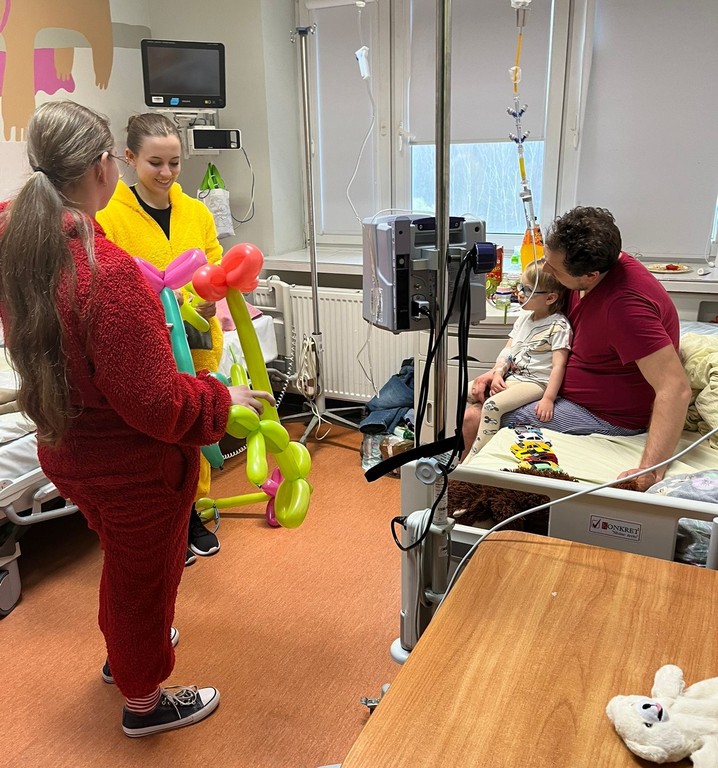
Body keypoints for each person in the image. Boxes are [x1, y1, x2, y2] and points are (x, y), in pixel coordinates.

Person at [0, 100, 275, 736]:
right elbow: (157, 405)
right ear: (106, 166)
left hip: (67, 451)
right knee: (144, 585)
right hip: (130, 467)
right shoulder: (108, 276)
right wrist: (221, 400)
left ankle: (125, 653)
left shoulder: (18, 246)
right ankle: (144, 700)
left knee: (126, 570)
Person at [463, 206, 692, 491]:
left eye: (554, 269)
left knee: (478, 415)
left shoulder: (627, 308)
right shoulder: (591, 268)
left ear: (591, 275)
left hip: (604, 415)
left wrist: (650, 470)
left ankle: (463, 484)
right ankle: (462, 475)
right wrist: (498, 370)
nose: (547, 271)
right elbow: (532, 335)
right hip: (553, 387)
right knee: (475, 393)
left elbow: (675, 389)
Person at [96, 112, 225, 563]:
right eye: (155, 163)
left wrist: (210, 299)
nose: (166, 173)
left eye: (174, 163)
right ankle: (167, 522)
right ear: (130, 158)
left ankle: (192, 514)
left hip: (197, 340)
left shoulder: (196, 212)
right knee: (157, 436)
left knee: (195, 431)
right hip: (148, 342)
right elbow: (109, 282)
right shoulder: (109, 217)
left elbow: (214, 264)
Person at [463, 261, 571, 460]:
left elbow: (559, 366)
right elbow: (508, 350)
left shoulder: (558, 326)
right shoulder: (524, 318)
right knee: (469, 390)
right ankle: (468, 445)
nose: (519, 293)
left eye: (527, 289)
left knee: (492, 407)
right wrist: (497, 373)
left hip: (536, 382)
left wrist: (548, 398)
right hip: (514, 377)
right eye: (520, 286)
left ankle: (473, 458)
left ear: (550, 298)